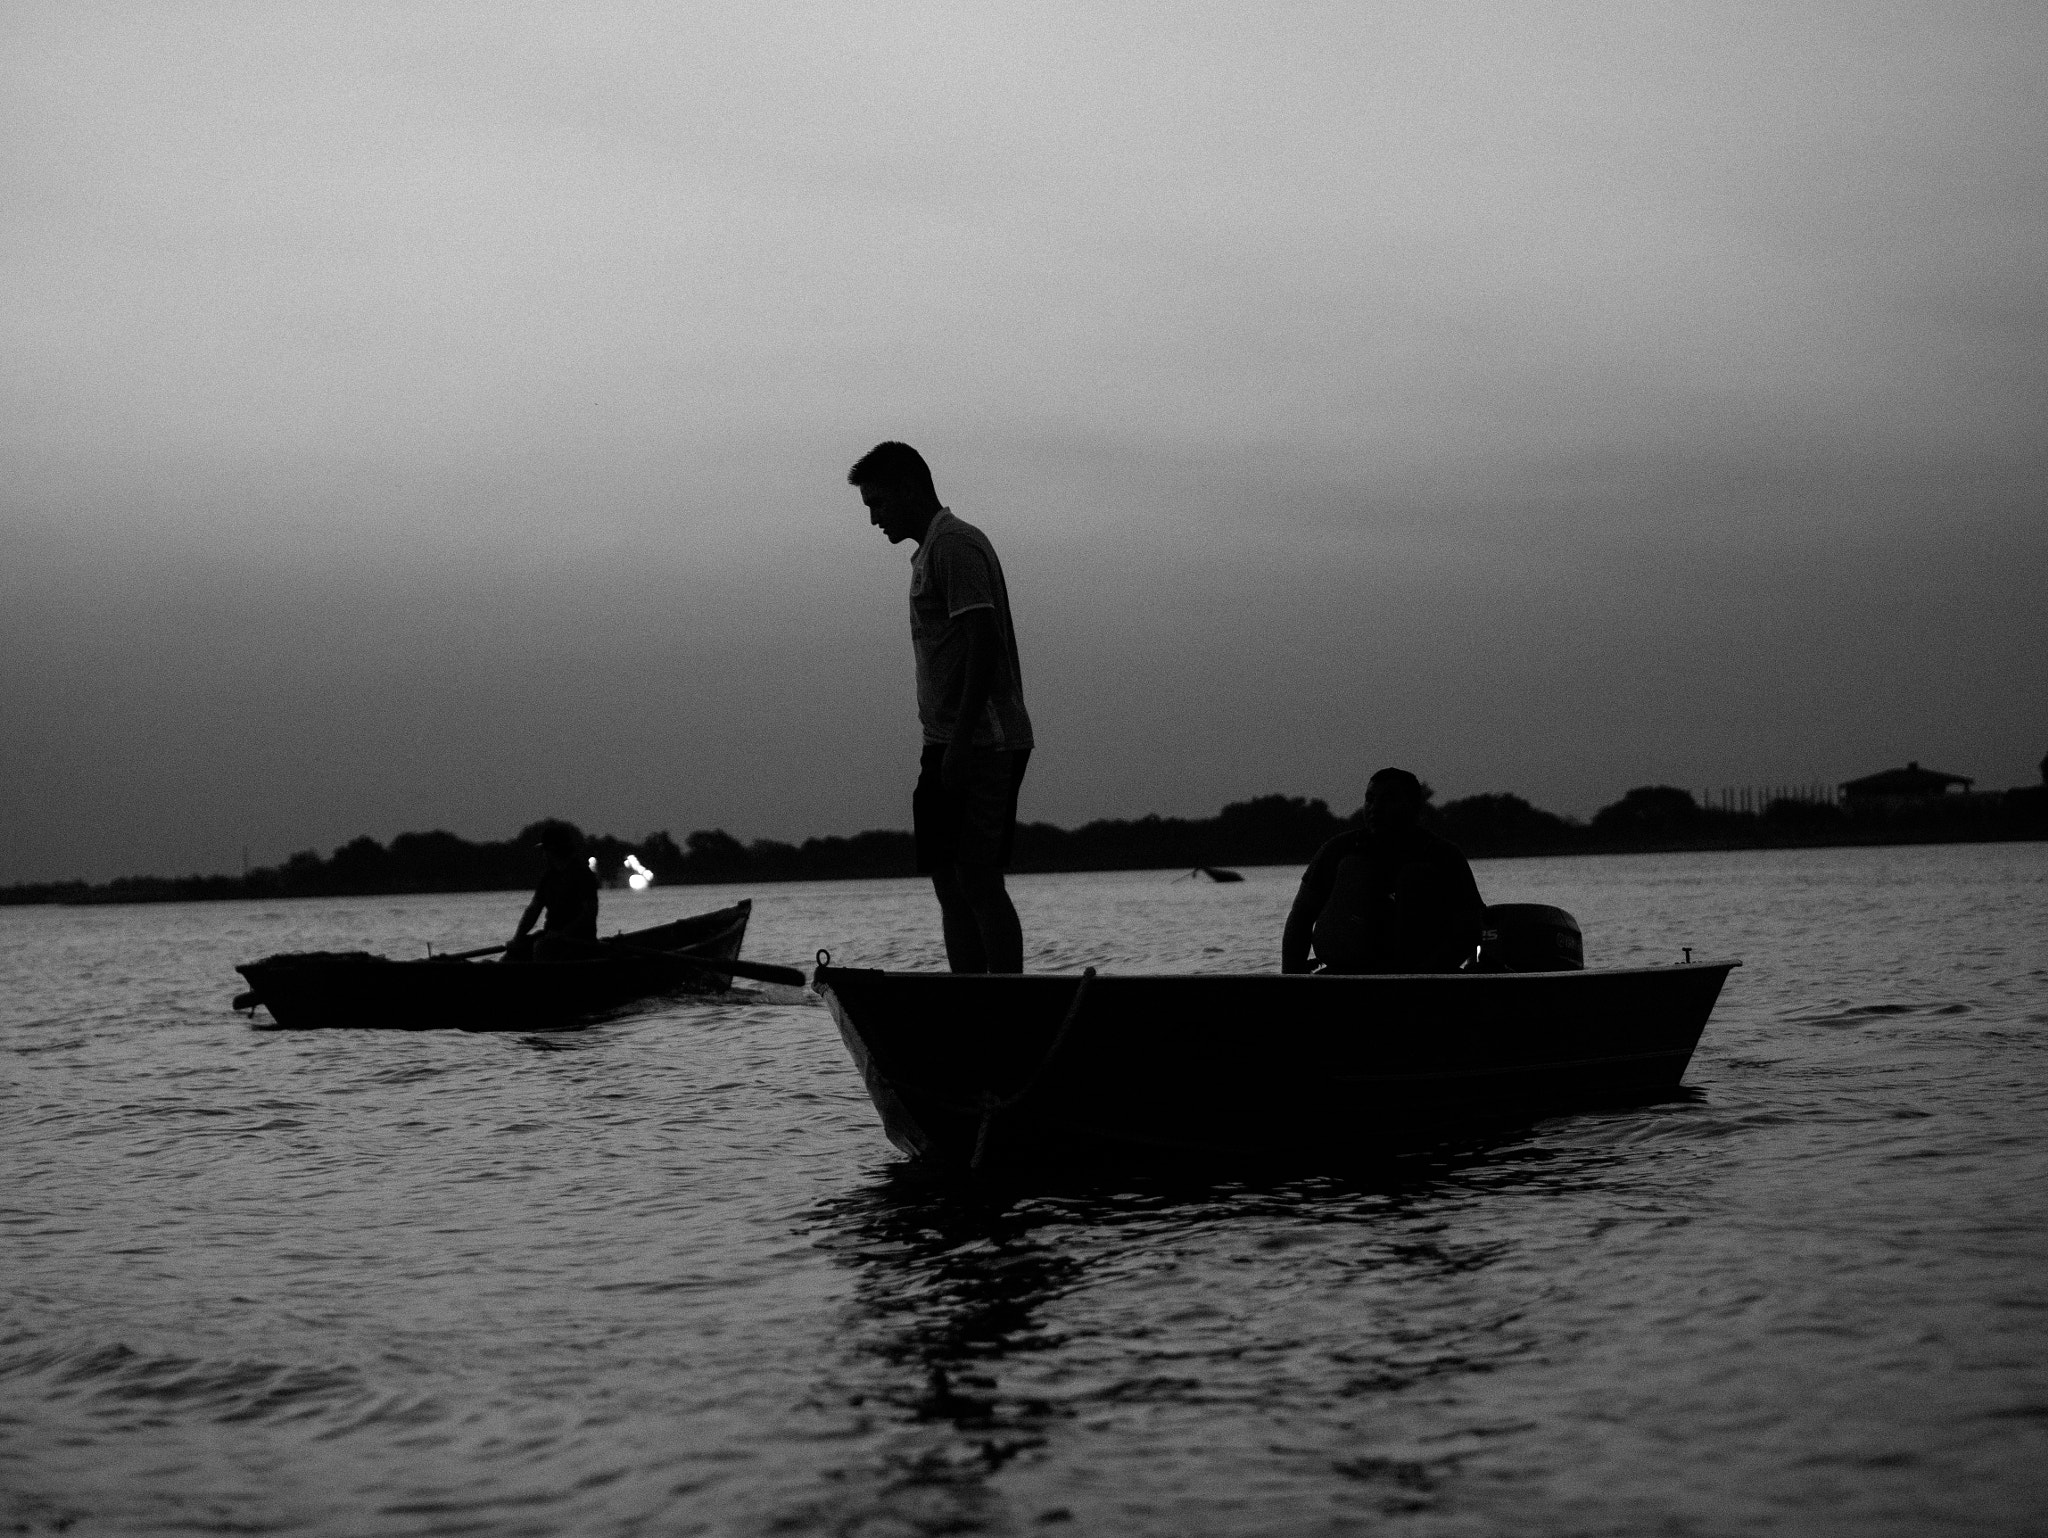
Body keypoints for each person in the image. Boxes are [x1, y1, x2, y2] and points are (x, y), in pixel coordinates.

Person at [850, 441, 1033, 973]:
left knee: (977, 877)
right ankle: (968, 998)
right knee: (948, 880)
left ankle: (1004, 1003)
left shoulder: (954, 546)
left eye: (878, 504)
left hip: (984, 741)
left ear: (910, 488)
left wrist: (960, 741)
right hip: (945, 741)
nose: (874, 519)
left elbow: (984, 643)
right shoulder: (930, 552)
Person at [1282, 768, 1484, 974]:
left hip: (1427, 976)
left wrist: (1437, 972)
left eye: (1388, 800)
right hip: (1345, 974)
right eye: (1370, 799)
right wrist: (1290, 976)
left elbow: (1471, 923)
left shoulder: (1444, 856)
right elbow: (1301, 917)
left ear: (1414, 807)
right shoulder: (1337, 850)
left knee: (1416, 876)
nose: (1375, 808)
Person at [506, 821, 600, 962]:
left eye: (545, 851)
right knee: (516, 952)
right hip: (551, 937)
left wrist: (563, 933)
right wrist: (517, 938)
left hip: (579, 940)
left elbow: (590, 912)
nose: (543, 855)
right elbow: (533, 910)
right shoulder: (548, 877)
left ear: (552, 851)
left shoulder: (583, 874)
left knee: (542, 948)